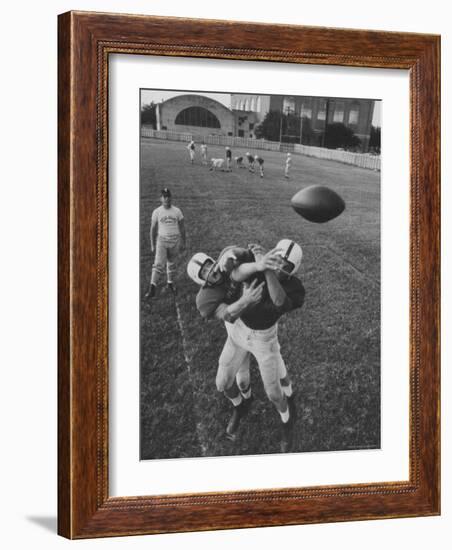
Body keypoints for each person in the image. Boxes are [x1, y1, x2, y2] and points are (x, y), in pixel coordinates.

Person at [217, 240, 305, 452]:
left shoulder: (295, 288)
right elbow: (235, 271)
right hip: (239, 331)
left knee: (275, 394)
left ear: (293, 270)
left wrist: (266, 269)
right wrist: (234, 253)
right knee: (222, 383)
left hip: (264, 338)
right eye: (278, 260)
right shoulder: (259, 263)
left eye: (286, 266)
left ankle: (286, 422)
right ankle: (241, 406)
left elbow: (279, 301)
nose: (279, 266)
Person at [187, 246, 283, 439]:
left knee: (272, 386)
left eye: (208, 266)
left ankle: (285, 412)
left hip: (259, 332)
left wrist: (237, 254)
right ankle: (241, 405)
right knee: (224, 382)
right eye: (204, 272)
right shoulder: (205, 299)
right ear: (201, 281)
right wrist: (245, 300)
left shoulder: (225, 264)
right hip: (236, 334)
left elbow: (238, 259)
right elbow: (227, 315)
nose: (210, 271)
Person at [145, 188, 186, 299]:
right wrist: (152, 244)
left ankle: (170, 283)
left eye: (168, 196)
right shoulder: (157, 212)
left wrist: (183, 242)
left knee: (171, 263)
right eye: (164, 196)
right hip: (162, 241)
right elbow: (152, 229)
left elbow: (182, 228)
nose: (166, 198)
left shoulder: (177, 211)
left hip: (175, 241)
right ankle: (152, 289)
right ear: (161, 199)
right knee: (158, 264)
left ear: (171, 197)